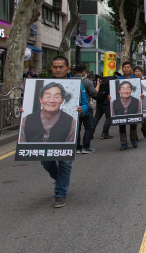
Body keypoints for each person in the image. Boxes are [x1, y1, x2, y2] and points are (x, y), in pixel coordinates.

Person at [26, 56, 88, 208]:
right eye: (55, 67)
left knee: (65, 162)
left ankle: (60, 193)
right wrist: (23, 110)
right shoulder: (41, 84)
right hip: (43, 133)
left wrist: (82, 110)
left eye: (61, 67)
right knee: (46, 161)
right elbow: (29, 105)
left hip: (67, 132)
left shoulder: (77, 84)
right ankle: (59, 178)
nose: (58, 69)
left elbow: (86, 104)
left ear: (68, 68)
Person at [113, 61, 140, 151]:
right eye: (125, 67)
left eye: (128, 67)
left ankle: (133, 139)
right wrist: (110, 97)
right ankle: (123, 142)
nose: (126, 69)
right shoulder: (118, 79)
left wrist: (142, 95)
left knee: (133, 123)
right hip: (121, 105)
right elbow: (113, 93)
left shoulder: (135, 79)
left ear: (131, 69)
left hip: (132, 104)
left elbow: (140, 91)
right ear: (122, 69)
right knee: (121, 124)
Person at [73, 63, 98, 153]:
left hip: (74, 108)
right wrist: (98, 85)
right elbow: (94, 93)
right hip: (86, 107)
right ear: (84, 72)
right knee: (89, 127)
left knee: (77, 128)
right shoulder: (87, 81)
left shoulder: (70, 80)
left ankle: (77, 147)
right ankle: (86, 147)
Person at [133, 66, 146, 138]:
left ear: (141, 73)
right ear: (133, 73)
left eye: (139, 71)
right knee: (135, 121)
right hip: (134, 103)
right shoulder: (131, 81)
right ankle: (134, 136)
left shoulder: (145, 81)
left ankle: (143, 129)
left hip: (144, 102)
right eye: (136, 71)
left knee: (145, 120)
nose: (137, 73)